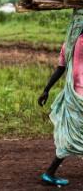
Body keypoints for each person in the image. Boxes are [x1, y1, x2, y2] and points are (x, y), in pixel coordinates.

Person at [38, 9, 83, 186]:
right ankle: (49, 173)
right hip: (79, 96)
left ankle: (50, 172)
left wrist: (46, 90)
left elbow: (60, 68)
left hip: (73, 96)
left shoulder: (68, 44)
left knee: (74, 134)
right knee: (75, 136)